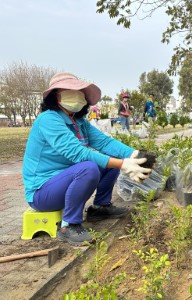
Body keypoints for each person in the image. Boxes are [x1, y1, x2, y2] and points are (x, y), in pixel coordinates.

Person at [22, 72, 153, 246]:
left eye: (78, 91)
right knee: (89, 167)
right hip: (42, 192)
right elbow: (78, 153)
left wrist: (134, 154)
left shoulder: (79, 121)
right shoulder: (48, 120)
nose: (76, 95)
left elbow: (104, 142)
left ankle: (100, 207)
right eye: (69, 90)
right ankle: (69, 225)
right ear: (55, 95)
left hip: (65, 180)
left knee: (108, 159)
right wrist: (123, 165)